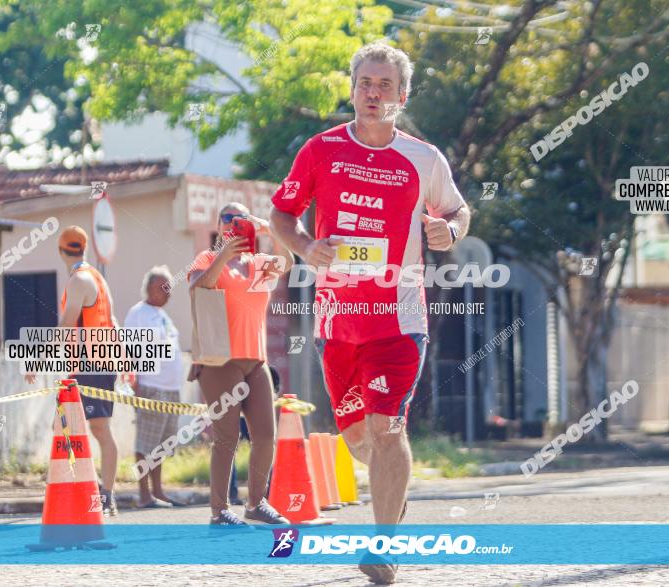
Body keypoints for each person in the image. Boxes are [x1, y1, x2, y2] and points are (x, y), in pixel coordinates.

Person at [270, 41, 470, 583]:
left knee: (387, 430)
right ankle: (391, 494)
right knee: (358, 440)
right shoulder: (319, 151)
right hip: (338, 319)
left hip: (399, 320)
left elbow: (457, 210)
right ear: (353, 89)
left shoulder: (424, 159)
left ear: (401, 96)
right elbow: (281, 215)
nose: (373, 92)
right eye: (366, 83)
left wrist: (447, 230)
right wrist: (305, 247)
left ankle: (383, 545)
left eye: (385, 85)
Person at [188, 203, 293, 526]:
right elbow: (198, 286)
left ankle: (256, 503)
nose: (235, 224)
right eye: (229, 219)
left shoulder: (258, 264)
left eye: (242, 219)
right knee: (227, 438)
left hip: (255, 360)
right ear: (219, 226)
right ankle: (219, 511)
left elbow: (288, 262)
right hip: (221, 360)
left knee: (264, 436)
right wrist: (225, 253)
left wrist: (272, 231)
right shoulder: (207, 259)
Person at [50, 226, 132, 515]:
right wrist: (123, 358)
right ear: (84, 249)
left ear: (61, 251)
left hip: (90, 365)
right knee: (67, 428)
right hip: (95, 364)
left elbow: (68, 322)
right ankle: (94, 489)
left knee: (95, 429)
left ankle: (102, 494)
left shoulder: (78, 281)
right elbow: (112, 321)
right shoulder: (97, 278)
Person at [124, 266, 184, 508]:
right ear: (149, 288)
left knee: (162, 444)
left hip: (171, 390)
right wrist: (133, 382)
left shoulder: (162, 315)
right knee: (145, 444)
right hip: (151, 387)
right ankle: (144, 494)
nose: (168, 292)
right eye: (163, 286)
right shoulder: (138, 314)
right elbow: (128, 350)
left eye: (170, 287)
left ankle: (158, 492)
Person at [229, 365, 280, 505]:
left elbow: (275, 390)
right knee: (229, 448)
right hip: (238, 413)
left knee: (266, 446)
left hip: (255, 414)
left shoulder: (268, 370)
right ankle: (231, 493)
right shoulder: (232, 368)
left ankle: (267, 493)